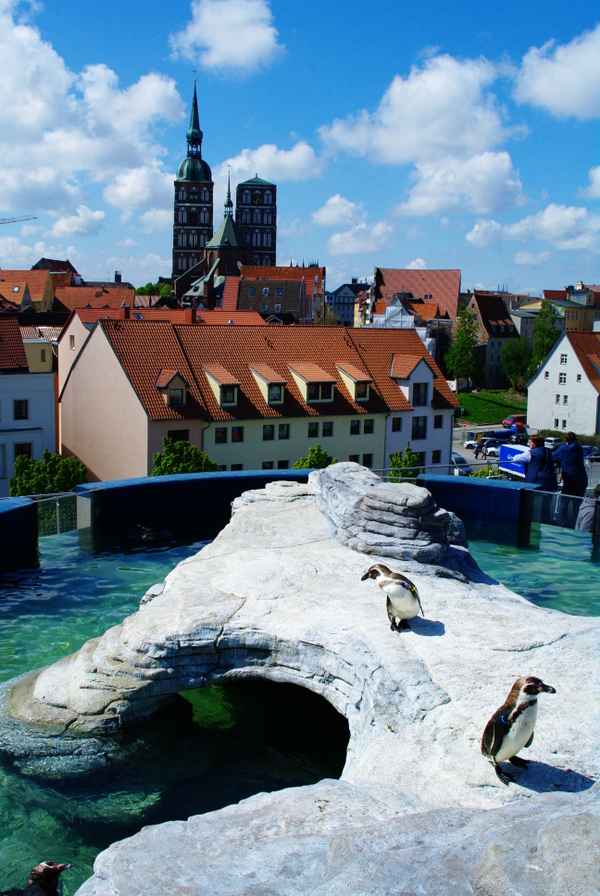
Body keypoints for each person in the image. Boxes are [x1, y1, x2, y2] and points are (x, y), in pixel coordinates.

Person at [553, 432, 588, 497]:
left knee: (565, 501)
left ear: (566, 440)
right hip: (582, 480)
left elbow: (552, 457)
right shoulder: (579, 448)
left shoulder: (563, 449)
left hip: (569, 480)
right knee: (577, 501)